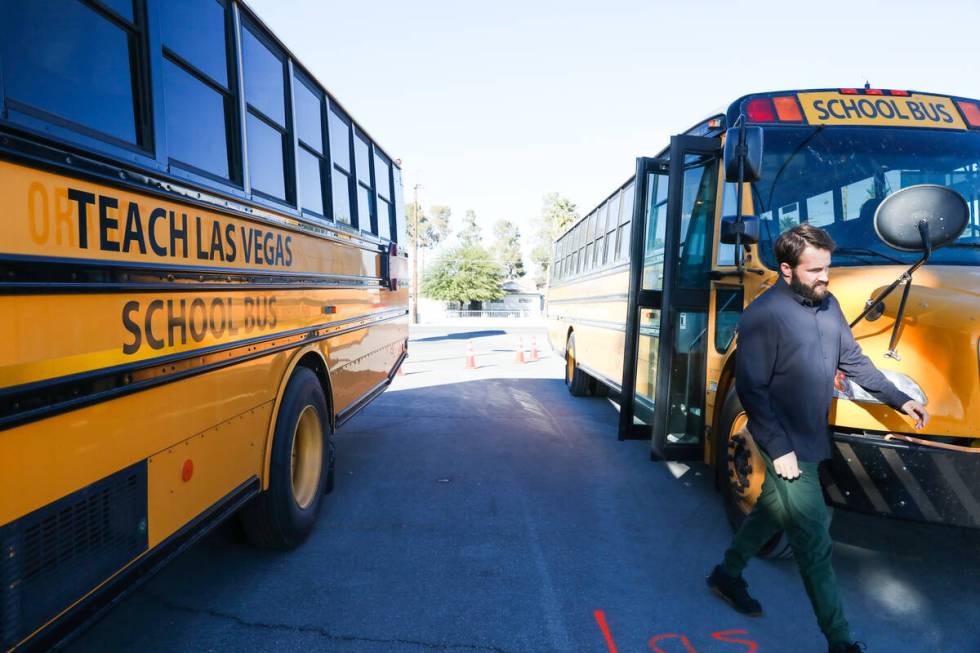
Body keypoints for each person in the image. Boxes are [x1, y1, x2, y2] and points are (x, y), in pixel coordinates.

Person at [706, 224, 929, 653]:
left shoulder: (828, 306)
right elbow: (752, 389)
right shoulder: (762, 317)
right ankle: (840, 642)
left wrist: (900, 400)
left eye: (828, 267)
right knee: (814, 540)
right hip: (783, 441)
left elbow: (856, 362)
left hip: (810, 436)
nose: (826, 277)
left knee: (771, 510)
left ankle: (726, 575)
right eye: (816, 270)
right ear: (786, 270)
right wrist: (781, 449)